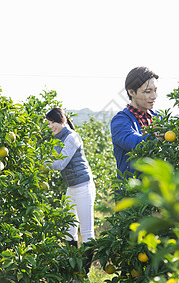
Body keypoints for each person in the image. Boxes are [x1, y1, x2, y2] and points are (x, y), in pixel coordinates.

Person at [45, 107, 95, 276]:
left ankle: (84, 273)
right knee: (69, 229)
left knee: (87, 232)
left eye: (54, 122)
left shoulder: (72, 137)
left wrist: (39, 162)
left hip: (83, 187)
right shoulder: (56, 139)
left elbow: (59, 163)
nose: (51, 126)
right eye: (49, 123)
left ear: (63, 120)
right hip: (71, 187)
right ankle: (74, 272)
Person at [111, 66, 161, 180]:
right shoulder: (120, 121)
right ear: (131, 92)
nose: (154, 96)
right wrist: (159, 136)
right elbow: (136, 143)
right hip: (132, 192)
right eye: (148, 91)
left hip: (158, 191)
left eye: (155, 90)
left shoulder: (159, 117)